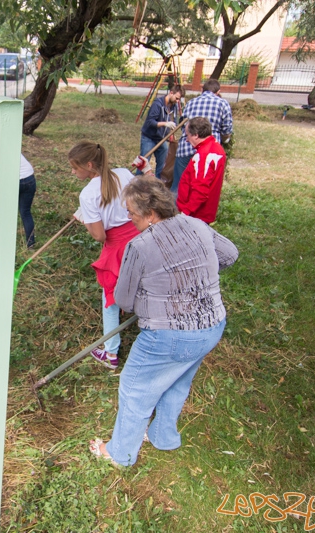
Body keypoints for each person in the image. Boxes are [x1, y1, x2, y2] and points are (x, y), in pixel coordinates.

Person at [89, 178, 238, 467]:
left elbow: (124, 300)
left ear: (152, 213)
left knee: (134, 390)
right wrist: (196, 277)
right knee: (178, 381)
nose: (129, 219)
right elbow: (230, 254)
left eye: (131, 213)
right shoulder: (196, 225)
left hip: (167, 336)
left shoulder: (141, 245)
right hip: (212, 326)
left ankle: (120, 453)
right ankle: (163, 436)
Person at [69, 141, 139, 370]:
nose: (73, 172)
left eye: (75, 167)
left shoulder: (88, 194)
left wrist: (85, 221)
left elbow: (99, 235)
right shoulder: (124, 174)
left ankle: (111, 353)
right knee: (141, 283)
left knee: (109, 298)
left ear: (89, 165)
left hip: (117, 246)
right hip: (139, 236)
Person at [172, 79, 232, 194]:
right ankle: (192, 211)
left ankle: (174, 211)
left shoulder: (191, 102)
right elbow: (227, 129)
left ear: (202, 90)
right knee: (202, 188)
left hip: (185, 149)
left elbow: (183, 124)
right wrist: (224, 139)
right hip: (209, 153)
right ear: (218, 91)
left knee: (179, 186)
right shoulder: (222, 103)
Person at [175, 117, 227, 224]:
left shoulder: (203, 156)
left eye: (188, 135)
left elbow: (200, 191)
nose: (186, 139)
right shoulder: (216, 147)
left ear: (196, 135)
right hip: (202, 214)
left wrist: (185, 212)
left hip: (196, 216)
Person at [137, 85, 183, 180]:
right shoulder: (157, 104)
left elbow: (173, 121)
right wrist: (165, 124)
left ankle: (158, 186)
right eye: (177, 98)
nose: (177, 101)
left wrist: (171, 133)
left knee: (162, 166)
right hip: (149, 138)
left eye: (179, 99)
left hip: (162, 139)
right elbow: (150, 122)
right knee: (143, 163)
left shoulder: (174, 106)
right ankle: (136, 184)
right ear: (171, 93)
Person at [18, 153, 36, 248]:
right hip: (29, 178)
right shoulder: (13, 147)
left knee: (6, 211)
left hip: (16, 180)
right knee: (25, 212)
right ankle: (30, 243)